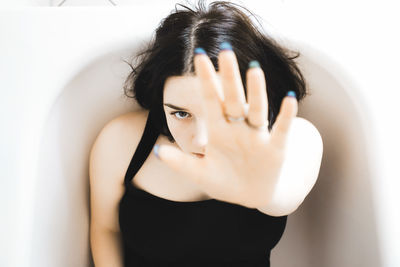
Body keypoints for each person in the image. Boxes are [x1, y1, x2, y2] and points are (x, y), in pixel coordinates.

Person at [89, 0, 323, 266]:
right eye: (181, 113)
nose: (200, 139)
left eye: (220, 114)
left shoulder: (295, 138)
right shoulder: (121, 141)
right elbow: (105, 229)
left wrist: (261, 192)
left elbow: (285, 197)